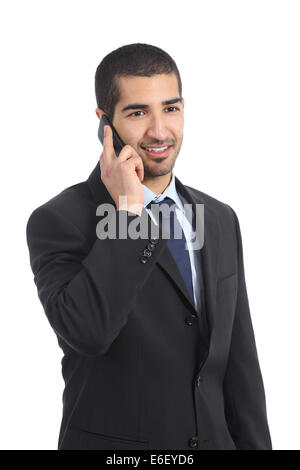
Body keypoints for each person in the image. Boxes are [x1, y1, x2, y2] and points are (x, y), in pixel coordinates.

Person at [26, 43, 272, 450]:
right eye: (138, 113)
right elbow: (89, 333)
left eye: (171, 109)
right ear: (105, 123)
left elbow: (240, 368)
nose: (159, 131)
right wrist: (128, 215)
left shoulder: (219, 217)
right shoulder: (59, 220)